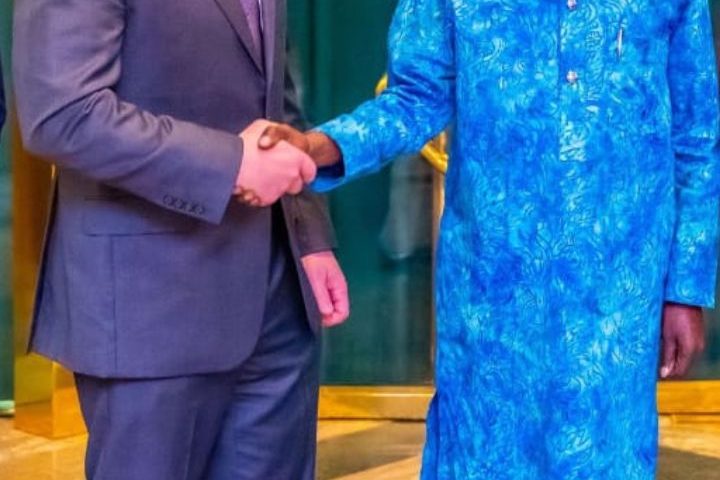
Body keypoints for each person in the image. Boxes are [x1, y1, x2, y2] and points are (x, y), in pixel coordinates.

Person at [260, 0, 720, 478]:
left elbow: (697, 138)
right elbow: (414, 100)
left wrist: (685, 289)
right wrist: (318, 147)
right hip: (491, 299)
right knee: (482, 457)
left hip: (618, 301)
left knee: (606, 458)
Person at [12, 0, 349, 479]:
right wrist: (231, 164)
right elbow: (63, 114)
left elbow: (272, 94)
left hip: (278, 300)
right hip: (150, 307)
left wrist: (307, 234)